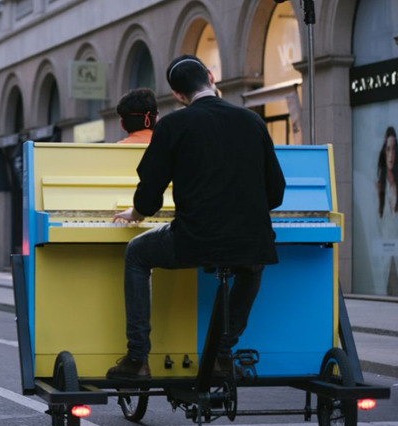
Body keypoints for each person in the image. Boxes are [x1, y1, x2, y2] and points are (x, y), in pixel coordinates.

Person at [106, 55, 286, 380]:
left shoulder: (173, 125)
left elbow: (150, 195)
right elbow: (276, 192)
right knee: (250, 265)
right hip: (250, 236)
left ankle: (137, 359)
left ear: (177, 95)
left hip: (195, 238)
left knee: (136, 253)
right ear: (211, 77)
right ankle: (222, 353)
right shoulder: (252, 121)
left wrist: (136, 213)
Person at [375, 126, 398, 296]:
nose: (391, 155)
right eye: (388, 149)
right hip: (383, 248)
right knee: (383, 283)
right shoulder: (379, 186)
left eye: (394, 149)